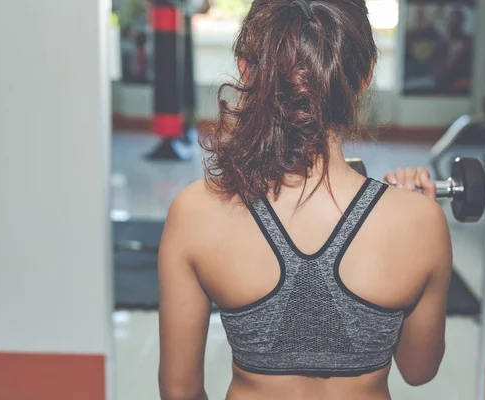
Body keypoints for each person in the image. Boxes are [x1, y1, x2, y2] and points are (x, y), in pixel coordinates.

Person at [157, 0, 452, 399]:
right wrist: (410, 213)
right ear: (364, 76)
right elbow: (419, 371)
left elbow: (179, 391)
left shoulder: (196, 212)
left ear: (247, 70)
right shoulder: (421, 222)